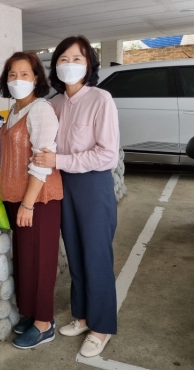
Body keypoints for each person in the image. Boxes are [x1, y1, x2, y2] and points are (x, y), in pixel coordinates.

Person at [34, 36, 120, 358]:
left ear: (89, 65)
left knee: (97, 256)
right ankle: (83, 317)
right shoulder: (54, 104)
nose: (69, 64)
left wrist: (60, 161)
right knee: (75, 253)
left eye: (77, 58)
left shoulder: (101, 99)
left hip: (93, 186)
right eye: (63, 58)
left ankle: (102, 328)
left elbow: (107, 155)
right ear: (55, 65)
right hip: (63, 186)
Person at [0, 52, 63, 349]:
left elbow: (42, 161)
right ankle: (32, 314)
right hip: (15, 198)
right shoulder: (13, 111)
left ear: (36, 78)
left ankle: (44, 323)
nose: (17, 80)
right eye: (12, 74)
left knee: (41, 260)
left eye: (24, 74)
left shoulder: (40, 110)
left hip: (39, 201)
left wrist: (28, 203)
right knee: (25, 260)